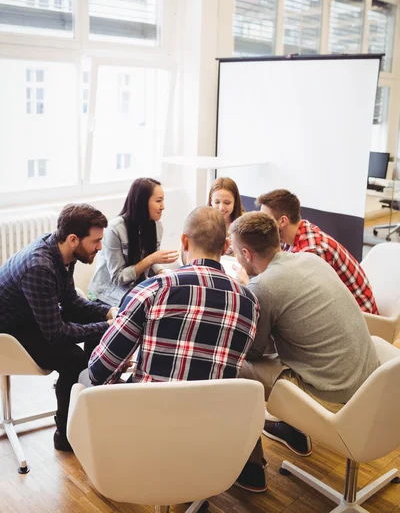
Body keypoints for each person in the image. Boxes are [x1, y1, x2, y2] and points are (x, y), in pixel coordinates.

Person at [89, 207, 264, 492]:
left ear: (184, 242)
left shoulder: (151, 289)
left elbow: (101, 368)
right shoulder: (250, 302)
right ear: (225, 246)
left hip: (147, 426)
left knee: (86, 378)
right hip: (213, 432)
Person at [230, 211, 379, 458]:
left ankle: (248, 462)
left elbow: (254, 351)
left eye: (235, 250)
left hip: (330, 395)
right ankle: (290, 427)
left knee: (231, 363)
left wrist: (246, 292)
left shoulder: (263, 286)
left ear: (246, 254)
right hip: (368, 383)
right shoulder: (311, 260)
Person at [0, 203, 116, 451]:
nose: (99, 247)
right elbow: (56, 333)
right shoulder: (40, 267)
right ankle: (65, 435)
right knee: (74, 359)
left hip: (30, 318)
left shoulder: (62, 250)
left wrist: (108, 312)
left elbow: (71, 302)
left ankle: (86, 412)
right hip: (9, 334)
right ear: (74, 239)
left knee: (97, 334)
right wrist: (106, 325)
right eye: (95, 241)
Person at [256, 189, 378, 315]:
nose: (262, 224)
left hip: (359, 316)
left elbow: (303, 299)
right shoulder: (295, 233)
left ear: (283, 221)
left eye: (266, 219)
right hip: (339, 306)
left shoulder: (312, 251)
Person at [89, 177, 179, 307]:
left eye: (163, 200)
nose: (163, 206)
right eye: (158, 201)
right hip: (109, 296)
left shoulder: (157, 227)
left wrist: (162, 272)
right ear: (142, 202)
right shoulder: (114, 229)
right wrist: (151, 259)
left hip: (135, 290)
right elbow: (118, 278)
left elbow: (150, 263)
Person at [208, 177, 245, 255]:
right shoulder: (202, 221)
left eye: (227, 203)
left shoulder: (246, 223)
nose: (221, 208)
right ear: (211, 201)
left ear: (235, 201)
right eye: (217, 202)